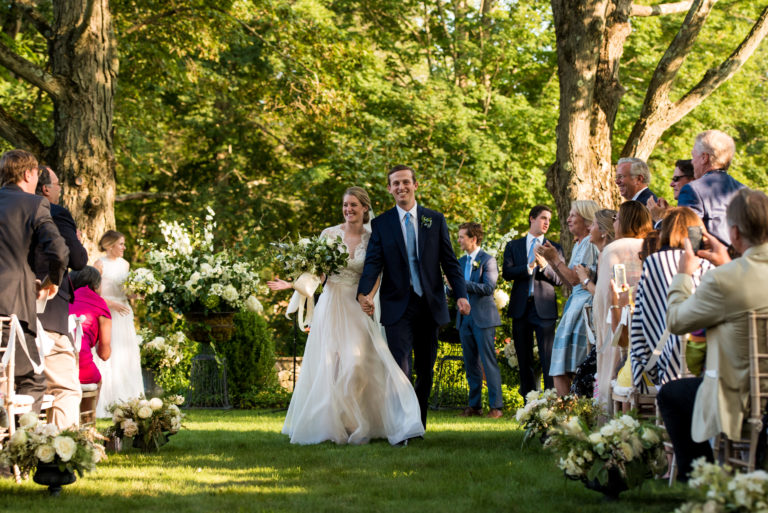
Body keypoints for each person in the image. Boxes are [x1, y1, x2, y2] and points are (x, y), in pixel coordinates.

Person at [269, 186, 424, 445]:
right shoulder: (329, 235)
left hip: (358, 303)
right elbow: (317, 272)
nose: (348, 209)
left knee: (359, 364)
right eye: (345, 205)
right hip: (331, 304)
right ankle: (335, 425)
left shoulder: (374, 235)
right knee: (330, 365)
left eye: (353, 205)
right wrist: (292, 284)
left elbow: (377, 271)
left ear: (365, 208)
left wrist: (370, 297)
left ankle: (365, 421)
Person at [658, 188, 768, 480]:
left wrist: (683, 274)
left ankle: (700, 477)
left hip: (741, 398)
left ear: (733, 232)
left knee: (671, 393)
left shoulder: (723, 279)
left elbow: (677, 321)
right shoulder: (730, 273)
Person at [358, 165, 470, 430]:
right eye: (395, 184)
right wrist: (363, 294)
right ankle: (404, 426)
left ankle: (419, 422)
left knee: (426, 370)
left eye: (405, 182)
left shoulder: (435, 219)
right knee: (401, 368)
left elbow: (450, 263)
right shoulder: (381, 224)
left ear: (415, 185)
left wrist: (461, 295)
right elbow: (374, 263)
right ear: (389, 189)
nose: (401, 187)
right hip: (398, 306)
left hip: (430, 305)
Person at [0, 150, 68, 413]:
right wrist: (52, 280)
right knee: (32, 379)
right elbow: (59, 251)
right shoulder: (33, 204)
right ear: (28, 174)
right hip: (12, 308)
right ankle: (22, 449)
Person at [630, 207, 712, 393]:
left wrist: (644, 364)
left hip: (662, 362)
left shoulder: (654, 262)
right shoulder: (707, 265)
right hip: (705, 365)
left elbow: (640, 321)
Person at [34, 165, 88, 429]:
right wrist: (78, 243)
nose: (59, 190)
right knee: (64, 387)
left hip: (9, 311)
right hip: (49, 312)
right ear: (45, 189)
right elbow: (76, 260)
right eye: (57, 185)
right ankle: (61, 455)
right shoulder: (56, 213)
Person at [590, 201, 652, 412]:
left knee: (612, 369)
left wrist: (603, 324)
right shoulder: (652, 245)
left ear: (625, 221)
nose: (614, 224)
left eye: (616, 219)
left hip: (619, 321)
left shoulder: (612, 249)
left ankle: (611, 419)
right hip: (649, 324)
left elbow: (604, 295)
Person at [537, 200, 600, 395]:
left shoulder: (590, 243)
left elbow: (576, 280)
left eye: (573, 215)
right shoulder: (581, 244)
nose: (568, 219)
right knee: (561, 366)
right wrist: (552, 260)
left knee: (567, 366)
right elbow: (568, 281)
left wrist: (555, 258)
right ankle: (566, 415)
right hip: (575, 304)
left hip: (583, 308)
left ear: (587, 219)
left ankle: (569, 415)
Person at [502, 205, 563, 401]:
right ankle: (529, 403)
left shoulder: (555, 248)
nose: (546, 223)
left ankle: (551, 402)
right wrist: (528, 267)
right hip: (520, 308)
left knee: (548, 359)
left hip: (544, 309)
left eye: (549, 220)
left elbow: (560, 280)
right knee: (523, 357)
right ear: (532, 218)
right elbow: (507, 273)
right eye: (543, 218)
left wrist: (545, 266)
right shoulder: (514, 246)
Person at [451, 222, 503, 418]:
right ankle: (474, 406)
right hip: (464, 319)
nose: (459, 240)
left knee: (488, 363)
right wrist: (450, 287)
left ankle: (496, 407)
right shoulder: (459, 262)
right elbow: (456, 290)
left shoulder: (488, 261)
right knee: (470, 363)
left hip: (483, 319)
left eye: (462, 236)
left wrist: (461, 283)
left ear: (473, 239)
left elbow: (489, 288)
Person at [93, 230, 143, 416]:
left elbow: (127, 292)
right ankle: (106, 402)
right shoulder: (99, 264)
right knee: (108, 354)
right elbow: (94, 295)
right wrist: (112, 303)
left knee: (126, 355)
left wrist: (138, 293)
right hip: (107, 314)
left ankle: (128, 401)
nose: (124, 247)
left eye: (123, 244)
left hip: (124, 314)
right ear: (110, 245)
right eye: (121, 244)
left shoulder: (125, 264)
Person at [677, 130, 745, 245]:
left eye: (693, 156)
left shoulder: (692, 190)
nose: (692, 162)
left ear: (704, 158)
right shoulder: (746, 192)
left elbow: (691, 241)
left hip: (710, 260)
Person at [69, 266, 111, 424]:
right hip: (80, 361)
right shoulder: (100, 304)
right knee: (96, 379)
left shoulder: (62, 297)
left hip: (53, 362)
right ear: (95, 285)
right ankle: (86, 428)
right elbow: (104, 354)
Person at [647, 159, 695, 225]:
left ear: (692, 180)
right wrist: (669, 213)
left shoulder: (696, 209)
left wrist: (659, 219)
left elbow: (679, 233)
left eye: (676, 179)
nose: (671, 184)